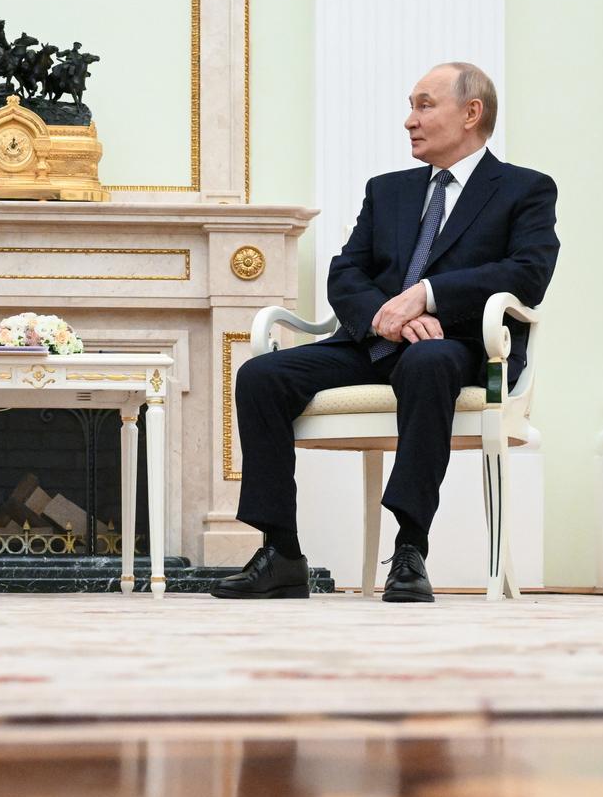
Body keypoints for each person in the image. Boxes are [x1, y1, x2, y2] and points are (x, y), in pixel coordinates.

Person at [216, 62, 559, 603]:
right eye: (411, 106)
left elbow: (528, 273)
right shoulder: (388, 191)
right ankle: (281, 552)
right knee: (262, 375)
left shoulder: (524, 189)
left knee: (429, 362)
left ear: (472, 113)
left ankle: (410, 549)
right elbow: (345, 270)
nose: (409, 120)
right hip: (371, 343)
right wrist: (386, 314)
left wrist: (426, 296)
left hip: (464, 350)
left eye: (425, 105)